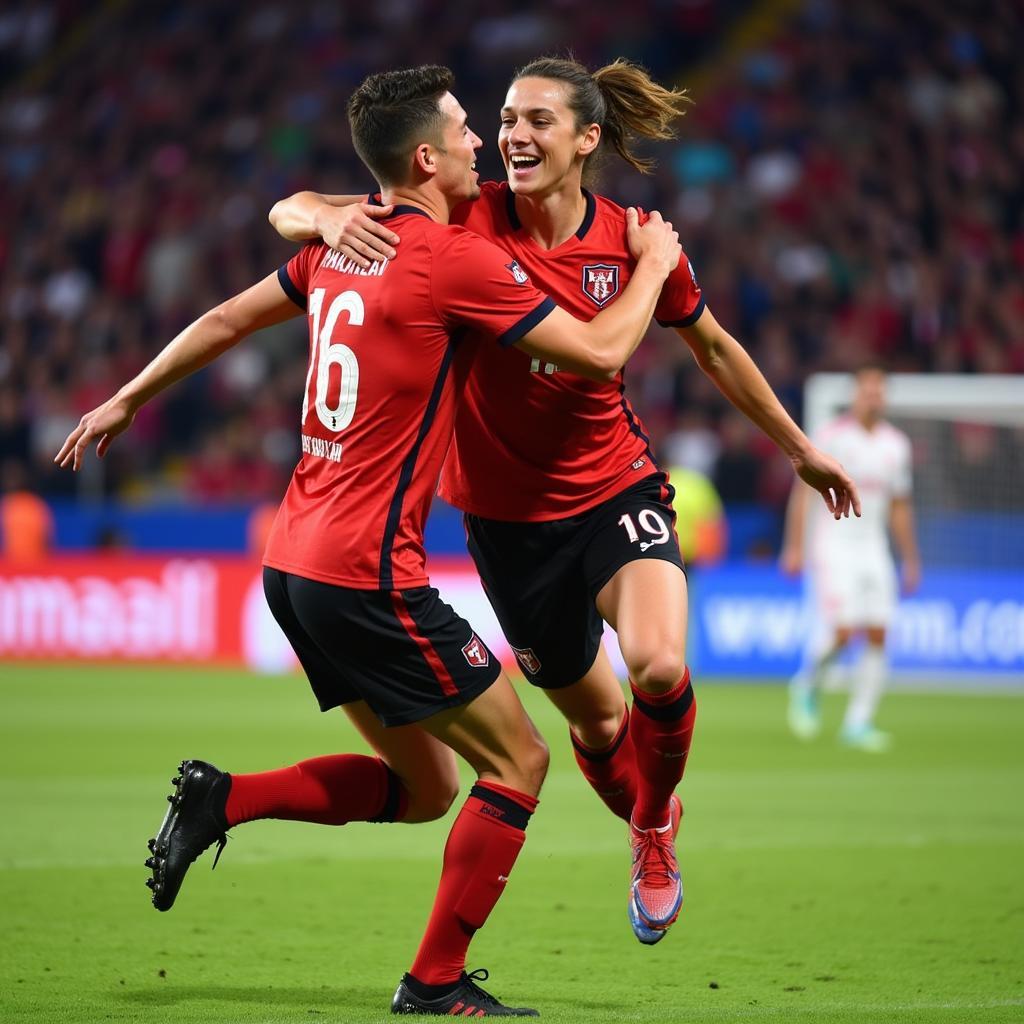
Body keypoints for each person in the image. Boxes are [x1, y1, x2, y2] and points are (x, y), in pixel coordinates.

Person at [55, 65, 683, 1017]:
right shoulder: (450, 260)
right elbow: (599, 353)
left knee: (426, 787)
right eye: (471, 130)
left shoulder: (348, 245)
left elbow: (230, 315)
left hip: (291, 568)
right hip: (368, 574)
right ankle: (433, 985)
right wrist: (649, 265)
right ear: (427, 156)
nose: (486, 143)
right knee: (519, 764)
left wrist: (126, 398)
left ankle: (225, 799)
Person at [269, 56, 860, 946]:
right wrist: (315, 211)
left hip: (614, 488)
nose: (512, 135)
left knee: (659, 667)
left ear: (586, 139)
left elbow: (716, 349)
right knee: (598, 721)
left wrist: (802, 448)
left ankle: (654, 831)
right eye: (505, 118)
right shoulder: (465, 215)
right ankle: (642, 811)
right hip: (508, 530)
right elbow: (307, 207)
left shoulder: (632, 238)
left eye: (537, 120)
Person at [781, 365, 920, 752]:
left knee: (878, 632)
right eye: (867, 390)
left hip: (874, 547)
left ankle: (858, 722)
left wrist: (910, 558)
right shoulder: (831, 437)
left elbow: (900, 506)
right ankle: (808, 682)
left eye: (879, 391)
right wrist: (793, 546)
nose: (874, 397)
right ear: (855, 394)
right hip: (834, 545)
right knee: (843, 632)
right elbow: (803, 494)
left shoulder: (897, 445)